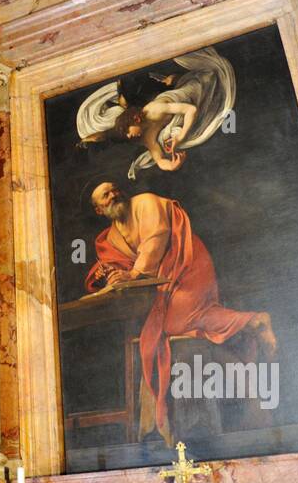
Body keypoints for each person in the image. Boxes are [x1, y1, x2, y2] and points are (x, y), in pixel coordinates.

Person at [84, 180, 275, 445]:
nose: (114, 194)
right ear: (99, 210)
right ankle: (246, 325)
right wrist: (111, 275)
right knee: (164, 329)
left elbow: (155, 242)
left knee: (178, 323)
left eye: (115, 189)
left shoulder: (146, 203)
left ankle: (254, 321)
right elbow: (112, 264)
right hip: (164, 280)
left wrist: (133, 273)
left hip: (188, 262)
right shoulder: (112, 236)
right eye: (106, 195)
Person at [77, 47, 236, 178]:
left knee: (211, 79)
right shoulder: (147, 137)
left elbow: (191, 110)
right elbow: (159, 160)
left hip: (190, 93)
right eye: (126, 135)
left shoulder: (153, 109)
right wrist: (172, 166)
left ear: (135, 119)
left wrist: (180, 137)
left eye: (127, 130)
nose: (128, 136)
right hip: (187, 103)